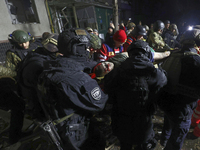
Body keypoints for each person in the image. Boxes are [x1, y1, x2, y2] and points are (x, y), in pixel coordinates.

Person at [104, 40, 167, 150]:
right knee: (143, 144)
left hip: (122, 120)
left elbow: (107, 89)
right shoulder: (153, 72)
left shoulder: (118, 70)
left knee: (125, 144)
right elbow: (163, 83)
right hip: (143, 122)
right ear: (147, 53)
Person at [158, 28, 200, 150]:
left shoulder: (172, 55)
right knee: (176, 141)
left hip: (166, 103)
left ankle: (164, 140)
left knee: (168, 123)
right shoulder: (196, 61)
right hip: (182, 110)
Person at [0, 29, 41, 145]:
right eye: (20, 43)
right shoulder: (12, 53)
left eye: (26, 42)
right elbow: (10, 70)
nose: (24, 45)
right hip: (25, 81)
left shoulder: (35, 47)